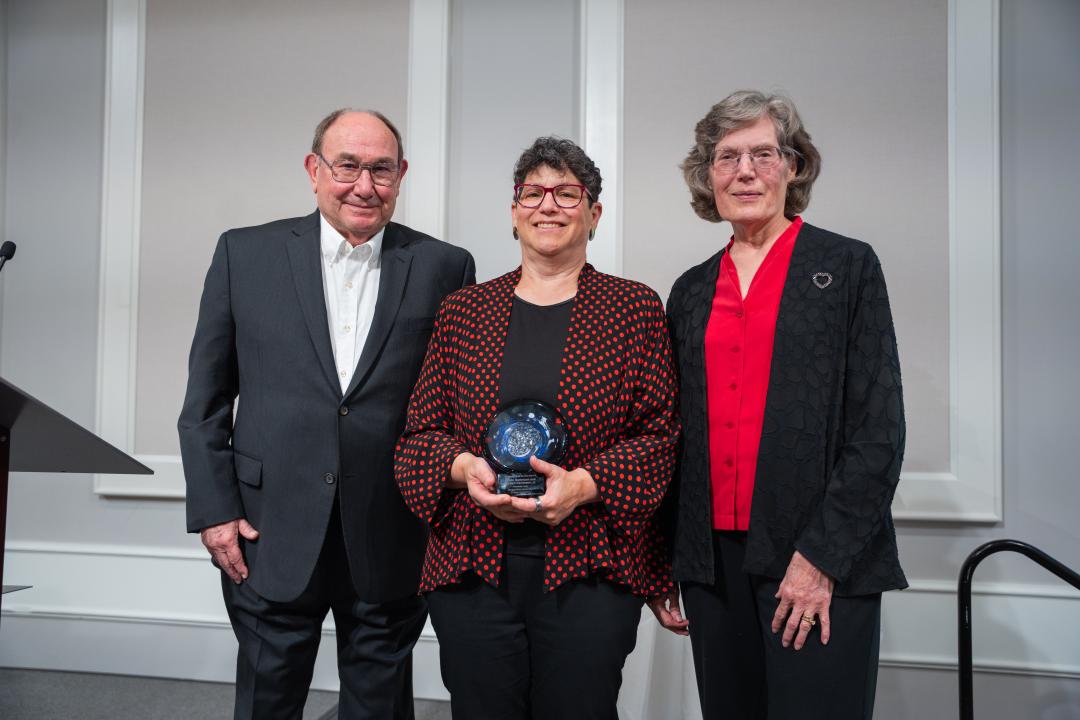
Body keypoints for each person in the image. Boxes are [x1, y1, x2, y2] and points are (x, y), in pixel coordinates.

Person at [178, 109, 475, 720]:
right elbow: (205, 402)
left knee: (379, 706)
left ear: (402, 176)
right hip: (267, 528)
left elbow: (454, 406)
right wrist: (215, 512)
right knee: (267, 700)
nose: (364, 185)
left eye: (382, 170)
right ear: (314, 170)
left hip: (393, 528)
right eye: (348, 166)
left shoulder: (447, 266)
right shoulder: (244, 254)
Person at [394, 137, 679, 720]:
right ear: (515, 211)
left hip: (591, 566)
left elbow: (660, 437)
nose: (548, 205)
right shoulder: (464, 312)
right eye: (533, 193)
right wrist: (464, 469)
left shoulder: (634, 309)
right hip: (472, 564)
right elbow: (419, 435)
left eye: (567, 193)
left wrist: (584, 484)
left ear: (593, 214)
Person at [650, 90, 907, 720]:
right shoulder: (690, 290)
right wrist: (661, 560)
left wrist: (819, 562)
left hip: (817, 556)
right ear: (707, 176)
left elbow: (879, 430)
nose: (744, 171)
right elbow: (672, 434)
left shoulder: (847, 266)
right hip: (713, 566)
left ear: (792, 166)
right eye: (727, 157)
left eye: (763, 154)